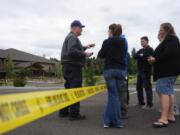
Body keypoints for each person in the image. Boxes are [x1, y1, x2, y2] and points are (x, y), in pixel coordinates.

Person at [59, 20, 95, 120]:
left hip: (68, 66)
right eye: (81, 28)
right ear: (75, 27)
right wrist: (85, 54)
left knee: (68, 89)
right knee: (75, 89)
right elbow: (72, 51)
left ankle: (63, 111)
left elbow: (74, 49)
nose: (82, 30)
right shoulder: (72, 37)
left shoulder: (70, 37)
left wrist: (85, 47)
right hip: (73, 66)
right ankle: (74, 114)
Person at [148, 23, 180, 128]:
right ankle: (170, 115)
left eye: (161, 29)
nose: (160, 31)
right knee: (168, 91)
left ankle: (164, 118)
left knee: (163, 91)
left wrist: (155, 59)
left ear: (167, 30)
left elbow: (170, 52)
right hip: (168, 71)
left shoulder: (171, 39)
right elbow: (167, 52)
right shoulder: (170, 39)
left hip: (167, 71)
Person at [98, 23, 127, 128]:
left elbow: (100, 55)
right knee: (115, 96)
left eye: (108, 30)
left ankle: (117, 122)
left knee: (113, 96)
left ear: (111, 31)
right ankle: (107, 120)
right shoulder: (123, 42)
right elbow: (124, 55)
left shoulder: (107, 42)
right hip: (121, 71)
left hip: (109, 70)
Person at [134, 36, 154, 110]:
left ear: (147, 41)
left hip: (146, 71)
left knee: (147, 87)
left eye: (143, 41)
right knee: (138, 87)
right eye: (141, 41)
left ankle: (149, 104)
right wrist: (140, 55)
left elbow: (146, 56)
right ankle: (141, 102)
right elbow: (135, 56)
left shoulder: (150, 49)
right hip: (139, 71)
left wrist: (141, 56)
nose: (141, 42)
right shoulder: (140, 50)